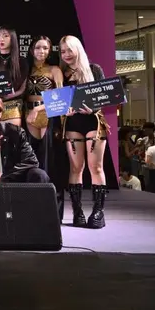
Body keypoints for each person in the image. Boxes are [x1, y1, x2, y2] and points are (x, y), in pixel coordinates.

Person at [59, 35, 109, 229]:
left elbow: (104, 96)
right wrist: (64, 110)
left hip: (93, 122)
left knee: (96, 167)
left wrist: (93, 108)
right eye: (63, 51)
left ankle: (98, 212)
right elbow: (56, 100)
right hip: (72, 124)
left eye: (69, 50)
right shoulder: (61, 73)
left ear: (77, 49)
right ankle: (77, 211)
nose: (66, 55)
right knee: (75, 168)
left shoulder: (94, 70)